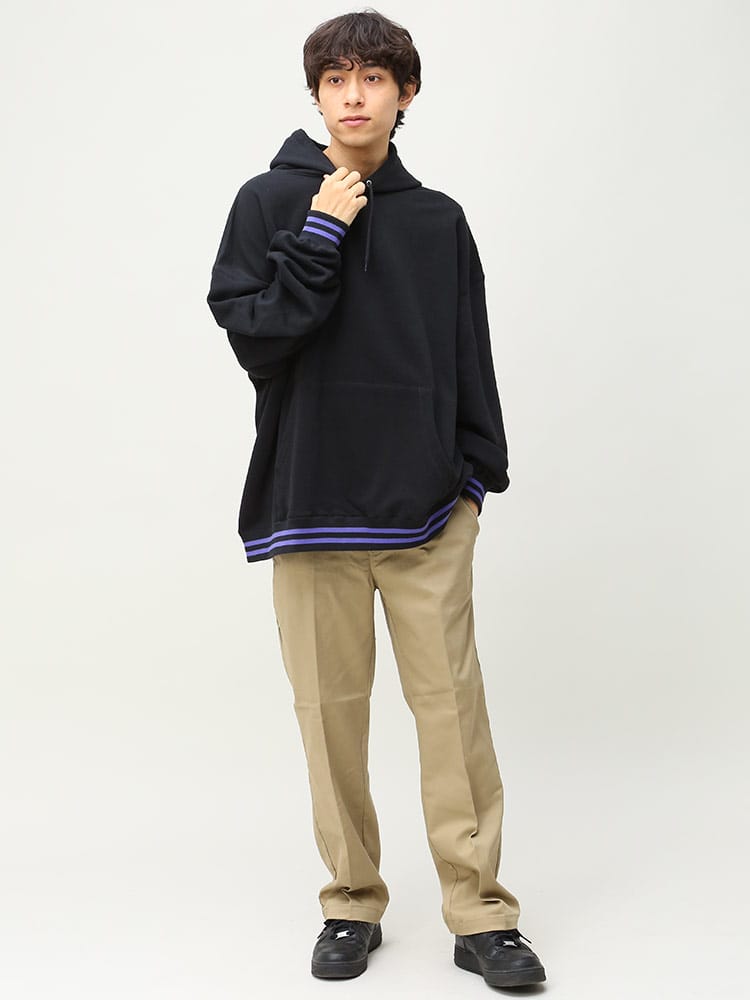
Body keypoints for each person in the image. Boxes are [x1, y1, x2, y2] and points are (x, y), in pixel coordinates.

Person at [206, 8, 546, 989]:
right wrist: (320, 230)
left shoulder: (438, 221)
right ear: (316, 94)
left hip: (428, 514)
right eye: (335, 80)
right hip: (311, 507)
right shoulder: (268, 202)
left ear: (405, 93)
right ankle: (351, 902)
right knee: (329, 717)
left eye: (373, 78)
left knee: (453, 715)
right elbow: (258, 337)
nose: (353, 96)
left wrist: (474, 479)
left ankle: (480, 915)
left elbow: (469, 353)